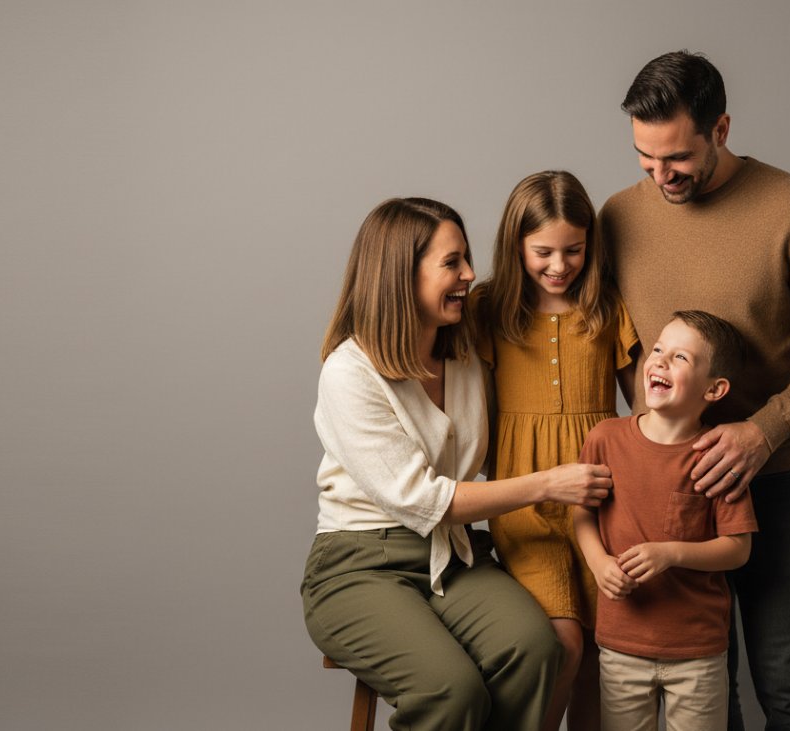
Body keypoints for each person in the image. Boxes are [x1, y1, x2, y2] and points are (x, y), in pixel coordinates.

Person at [600, 51, 790, 730]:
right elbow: (611, 341)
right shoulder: (617, 217)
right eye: (645, 159)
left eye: (677, 159)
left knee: (786, 682)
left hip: (776, 481)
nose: (660, 176)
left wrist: (764, 430)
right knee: (705, 690)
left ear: (721, 129)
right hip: (671, 492)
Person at [301, 197, 614, 731]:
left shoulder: (465, 351)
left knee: (538, 652)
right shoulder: (349, 372)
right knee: (451, 691)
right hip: (358, 565)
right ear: (402, 275)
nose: (471, 274)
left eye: (466, 258)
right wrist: (548, 485)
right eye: (452, 263)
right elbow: (426, 501)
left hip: (454, 557)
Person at [471, 170, 639, 731]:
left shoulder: (607, 307)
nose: (560, 265)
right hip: (524, 505)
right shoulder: (486, 310)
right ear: (516, 244)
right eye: (543, 251)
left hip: (602, 502)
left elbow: (642, 411)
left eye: (574, 250)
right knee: (562, 642)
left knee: (600, 653)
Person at [574, 310, 758, 731]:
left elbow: (737, 548)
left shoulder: (717, 456)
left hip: (697, 651)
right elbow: (582, 515)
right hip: (622, 644)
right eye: (658, 350)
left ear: (715, 389)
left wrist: (670, 554)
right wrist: (599, 563)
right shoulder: (605, 439)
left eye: (681, 358)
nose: (659, 361)